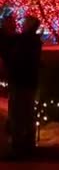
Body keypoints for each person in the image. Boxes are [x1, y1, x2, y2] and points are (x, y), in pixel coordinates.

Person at [2, 15, 42, 159]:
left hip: (21, 83)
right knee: (25, 115)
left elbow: (8, 45)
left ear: (30, 25)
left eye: (24, 22)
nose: (21, 24)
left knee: (18, 115)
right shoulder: (30, 41)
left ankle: (19, 147)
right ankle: (26, 146)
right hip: (27, 83)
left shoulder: (25, 41)